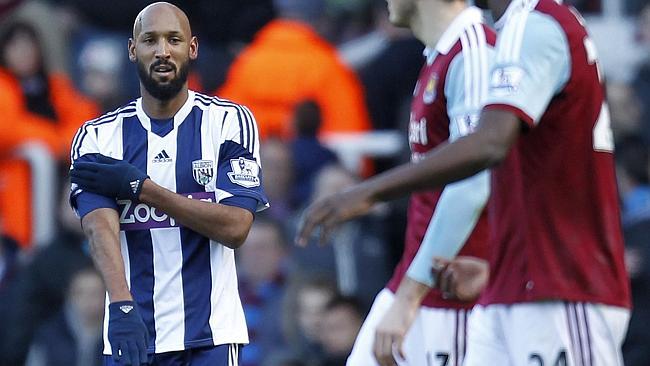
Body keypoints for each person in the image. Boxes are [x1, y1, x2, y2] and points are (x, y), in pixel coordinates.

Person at [297, 0, 631, 364]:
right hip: (510, 287)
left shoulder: (524, 28)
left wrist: (369, 192)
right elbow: (515, 170)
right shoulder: (507, 34)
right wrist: (494, 269)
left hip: (559, 288)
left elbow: (487, 148)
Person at [68, 2, 268, 365]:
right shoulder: (97, 136)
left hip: (211, 337)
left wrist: (141, 189)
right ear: (133, 50)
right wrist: (123, 306)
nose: (162, 51)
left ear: (192, 48)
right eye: (150, 40)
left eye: (173, 40)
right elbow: (99, 229)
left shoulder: (229, 122)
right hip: (133, 333)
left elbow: (236, 227)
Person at [297, 0, 496, 364]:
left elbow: (475, 181)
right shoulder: (439, 55)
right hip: (419, 283)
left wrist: (408, 297)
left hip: (450, 296)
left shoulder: (473, 50)